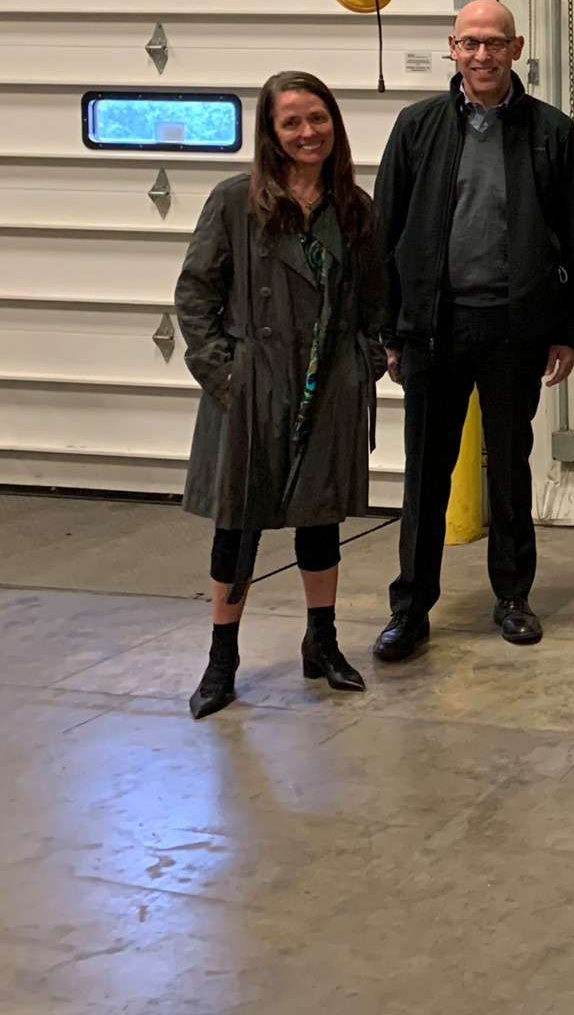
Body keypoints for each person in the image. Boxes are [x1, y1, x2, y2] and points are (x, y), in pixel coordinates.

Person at [372, 0, 574, 662]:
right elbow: (385, 230)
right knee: (426, 475)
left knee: (509, 470)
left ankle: (513, 598)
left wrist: (568, 330)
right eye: (470, 43)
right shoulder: (417, 128)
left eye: (495, 43)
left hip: (514, 330)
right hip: (432, 331)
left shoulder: (551, 133)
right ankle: (410, 609)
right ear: (452, 48)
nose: (483, 55)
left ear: (516, 48)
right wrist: (388, 329)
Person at [175, 72, 384, 720]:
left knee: (321, 521)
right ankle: (221, 659)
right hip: (252, 389)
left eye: (317, 118)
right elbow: (195, 295)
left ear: (334, 124)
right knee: (236, 526)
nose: (307, 132)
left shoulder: (353, 207)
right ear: (270, 133)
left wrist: (364, 364)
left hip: (328, 386)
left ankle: (322, 641)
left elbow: (373, 300)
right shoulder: (236, 202)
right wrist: (225, 376)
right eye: (291, 122)